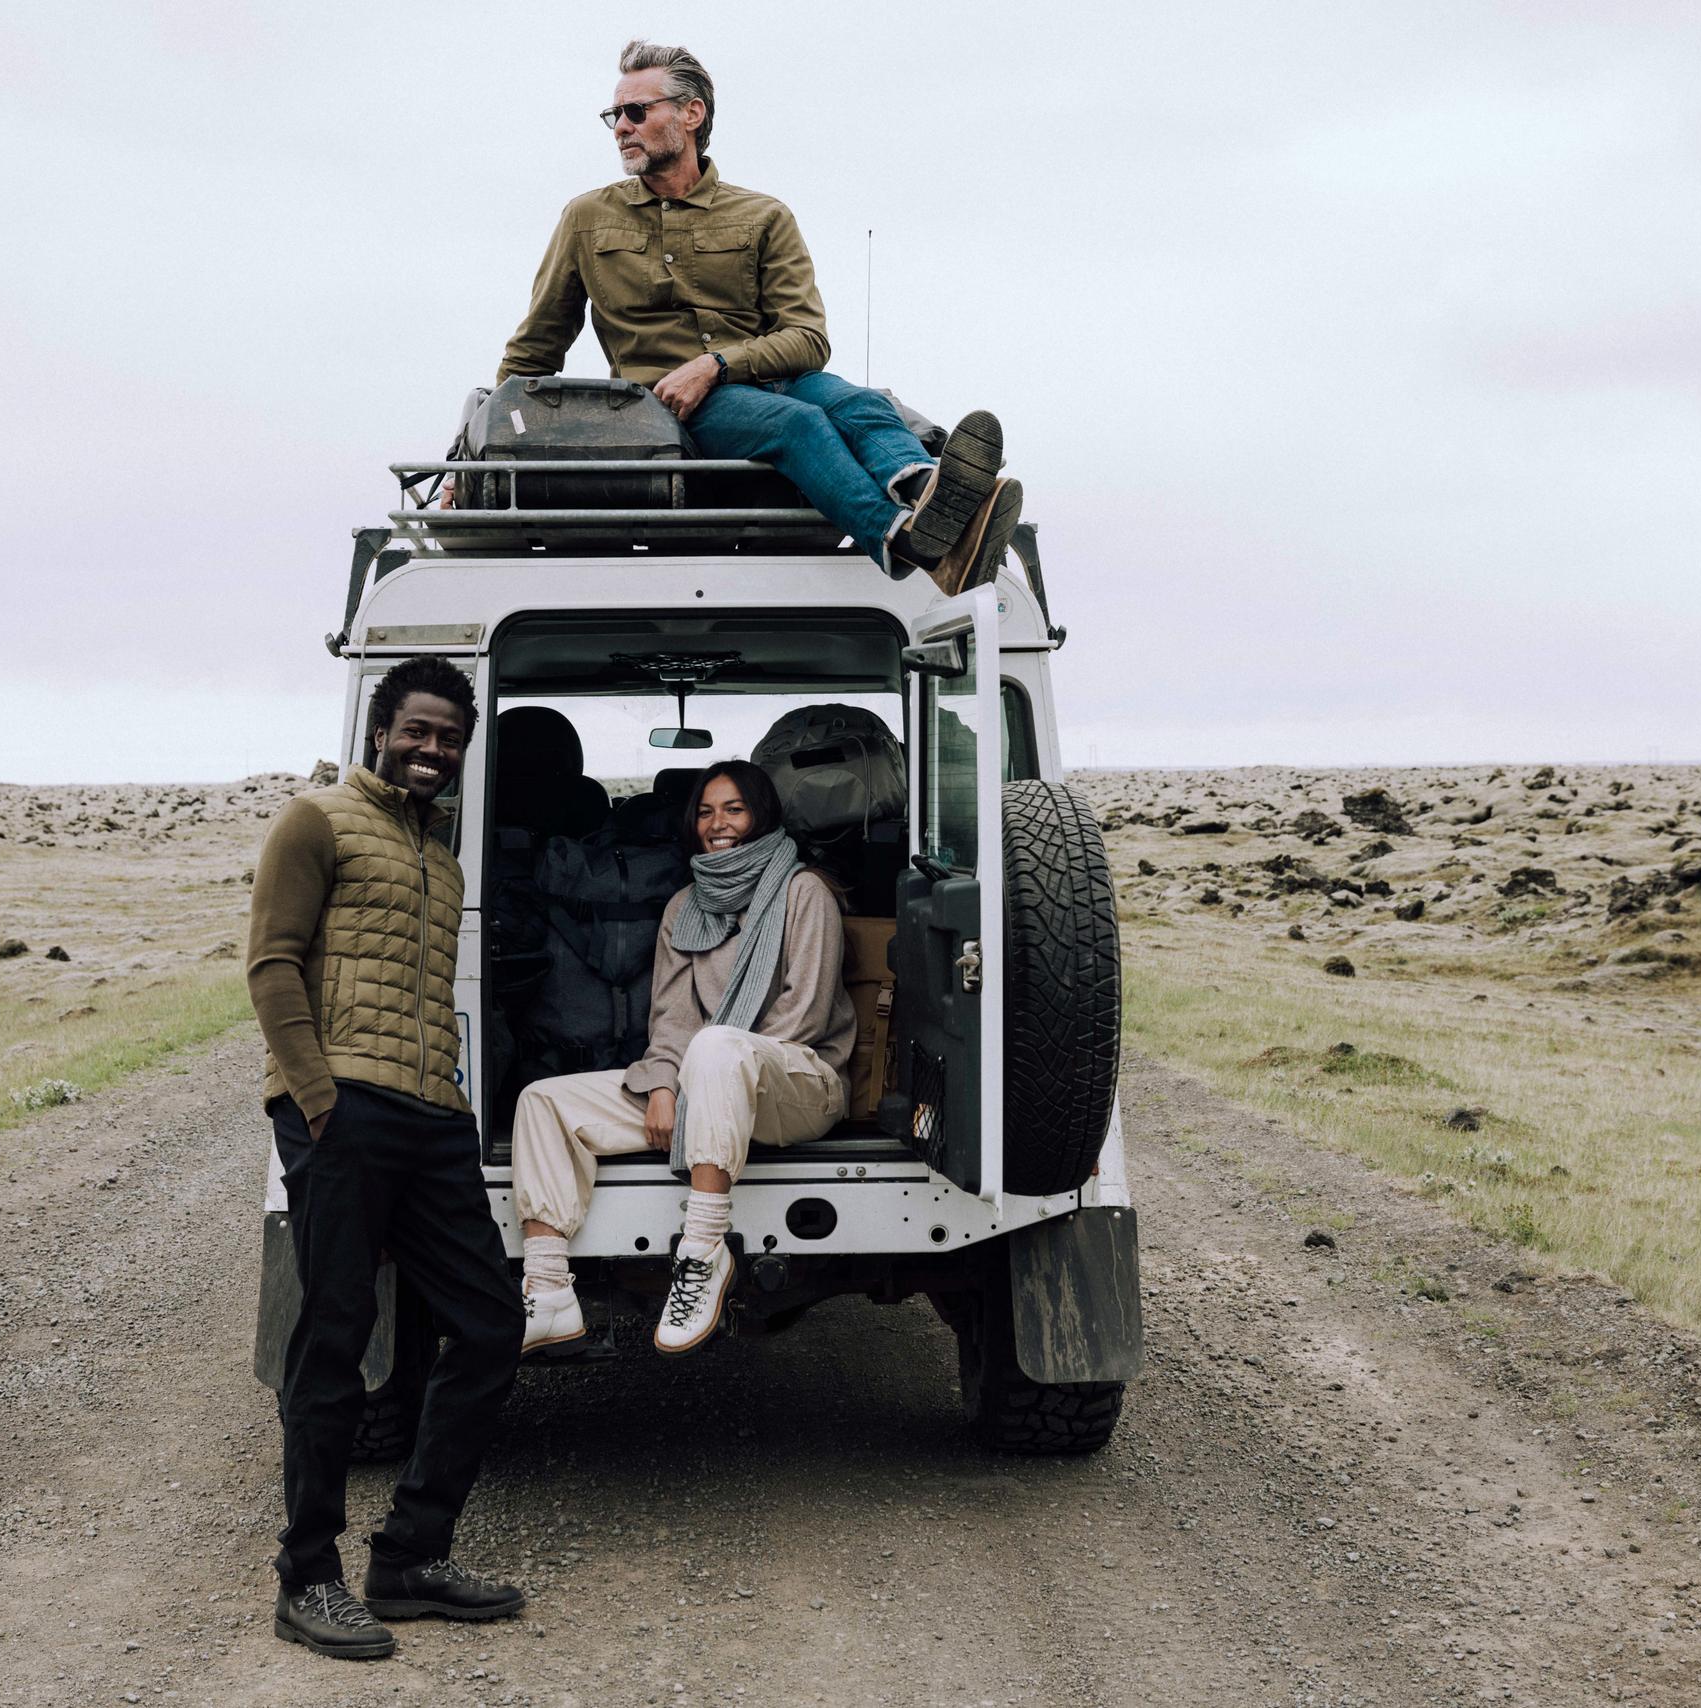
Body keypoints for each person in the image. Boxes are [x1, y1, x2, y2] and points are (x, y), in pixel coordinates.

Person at [497, 38, 1023, 596]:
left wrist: (718, 362)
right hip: (668, 405)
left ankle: (928, 496)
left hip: (777, 381)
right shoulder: (587, 218)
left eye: (636, 111)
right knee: (798, 424)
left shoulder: (763, 214)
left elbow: (808, 338)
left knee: (858, 402)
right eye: (614, 115)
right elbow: (537, 346)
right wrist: (469, 454)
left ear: (691, 114)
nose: (621, 127)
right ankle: (904, 544)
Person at [245, 655, 526, 1660]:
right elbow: (272, 962)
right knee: (335, 1338)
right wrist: (318, 1101)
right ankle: (307, 1578)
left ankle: (409, 1556)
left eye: (450, 737)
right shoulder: (315, 820)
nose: (434, 749)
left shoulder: (441, 855)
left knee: (492, 1324)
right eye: (418, 730)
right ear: (380, 729)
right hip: (342, 1111)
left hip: (430, 1113)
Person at [511, 761, 855, 1357]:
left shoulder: (804, 892)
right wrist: (666, 1087)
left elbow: (805, 1020)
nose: (717, 824)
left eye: (734, 809)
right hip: (707, 1086)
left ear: (762, 816)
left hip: (797, 1083)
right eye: (705, 811)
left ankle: (701, 1252)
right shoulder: (683, 907)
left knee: (717, 1045)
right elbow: (670, 1018)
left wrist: (705, 1076)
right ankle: (548, 1293)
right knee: (544, 1101)